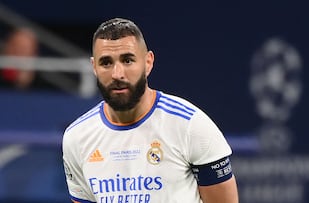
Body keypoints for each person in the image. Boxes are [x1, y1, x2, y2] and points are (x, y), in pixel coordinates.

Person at [62, 17, 239, 203]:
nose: (117, 74)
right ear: (94, 67)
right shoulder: (76, 137)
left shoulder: (191, 126)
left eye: (128, 60)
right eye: (106, 63)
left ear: (148, 62)